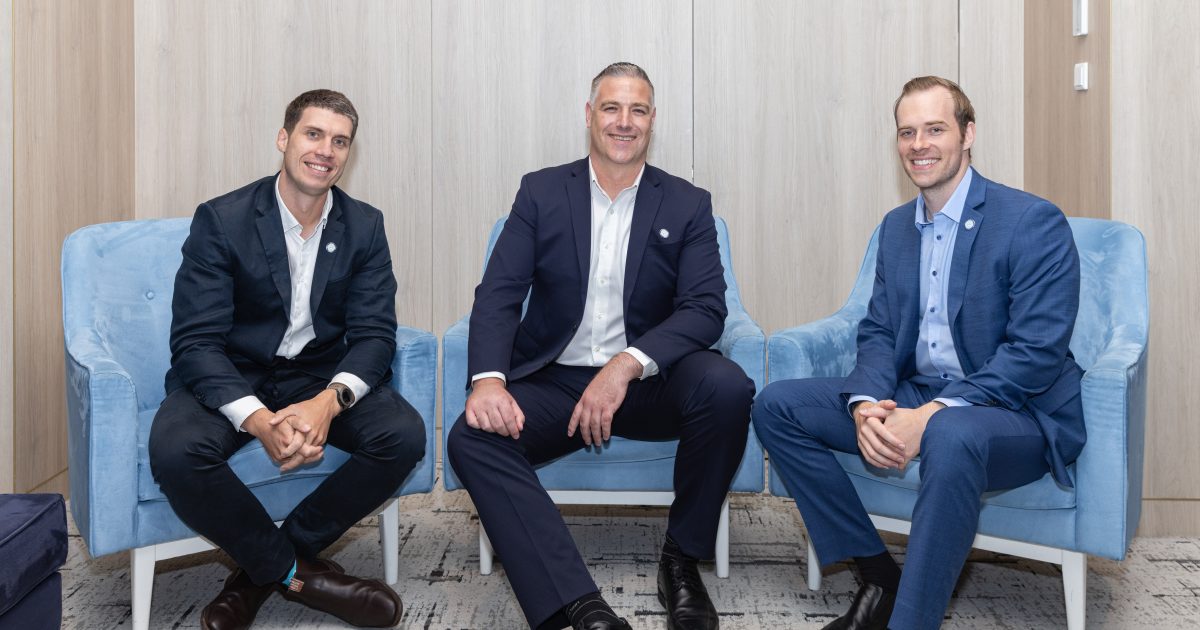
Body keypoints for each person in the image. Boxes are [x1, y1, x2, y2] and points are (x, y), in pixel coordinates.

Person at [752, 76, 1084, 630]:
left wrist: (929, 418)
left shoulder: (1031, 221)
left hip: (1018, 412)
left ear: (968, 133)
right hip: (921, 391)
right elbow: (880, 332)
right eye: (907, 132)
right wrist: (865, 406)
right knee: (776, 405)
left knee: (952, 433)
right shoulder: (896, 228)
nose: (919, 144)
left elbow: (1035, 354)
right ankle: (879, 576)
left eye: (935, 129)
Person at [446, 62, 755, 630]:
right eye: (611, 108)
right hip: (557, 380)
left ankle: (682, 561)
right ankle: (577, 604)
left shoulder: (687, 203)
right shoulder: (541, 191)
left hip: (648, 383)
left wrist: (626, 365)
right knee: (471, 438)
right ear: (590, 116)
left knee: (728, 386)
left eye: (638, 110)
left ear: (652, 121)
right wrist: (488, 379)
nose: (624, 121)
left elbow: (707, 309)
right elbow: (499, 293)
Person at [148, 89, 426, 630]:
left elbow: (375, 334)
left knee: (404, 436)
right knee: (176, 451)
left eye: (340, 141)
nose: (326, 150)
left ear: (349, 154)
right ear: (284, 138)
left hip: (318, 374)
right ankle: (301, 576)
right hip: (233, 371)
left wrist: (329, 401)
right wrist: (256, 418)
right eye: (313, 134)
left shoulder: (364, 226)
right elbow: (195, 341)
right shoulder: (222, 220)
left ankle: (260, 571)